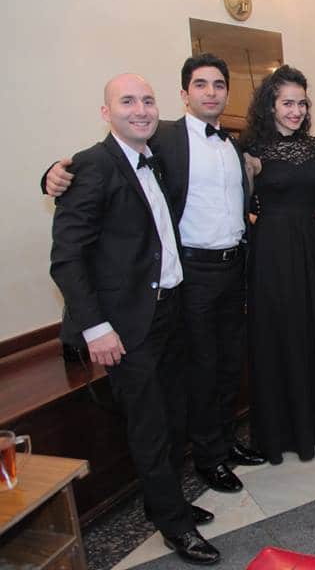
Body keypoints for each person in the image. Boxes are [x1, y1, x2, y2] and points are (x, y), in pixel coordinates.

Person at [43, 54, 266, 495]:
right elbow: (102, 163)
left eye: (219, 85)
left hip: (233, 268)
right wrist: (51, 175)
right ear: (184, 94)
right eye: (200, 85)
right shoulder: (162, 136)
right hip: (191, 272)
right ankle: (208, 458)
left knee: (228, 364)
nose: (211, 93)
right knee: (202, 369)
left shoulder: (235, 145)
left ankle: (225, 442)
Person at [50, 74, 220, 564]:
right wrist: (95, 327)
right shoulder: (92, 165)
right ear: (106, 113)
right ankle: (175, 524)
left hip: (169, 310)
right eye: (127, 101)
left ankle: (165, 502)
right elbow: (67, 257)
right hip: (126, 326)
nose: (141, 109)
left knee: (174, 414)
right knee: (150, 425)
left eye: (147, 100)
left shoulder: (153, 157)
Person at [243, 65, 315, 463]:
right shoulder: (250, 149)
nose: (296, 110)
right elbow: (237, 203)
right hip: (271, 252)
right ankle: (281, 431)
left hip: (310, 248)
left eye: (302, 103)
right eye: (287, 103)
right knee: (277, 334)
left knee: (313, 330)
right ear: (270, 105)